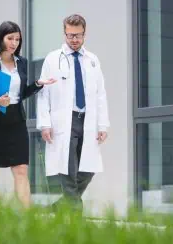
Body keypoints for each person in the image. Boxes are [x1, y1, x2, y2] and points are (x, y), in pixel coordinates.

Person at [0, 21, 56, 207]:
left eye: (17, 39)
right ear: (1, 38)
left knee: (20, 169)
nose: (14, 43)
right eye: (10, 38)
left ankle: (26, 217)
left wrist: (37, 84)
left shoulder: (22, 62)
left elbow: (21, 93)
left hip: (16, 120)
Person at [37, 14, 110, 211]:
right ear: (64, 33)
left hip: (87, 119)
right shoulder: (53, 59)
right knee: (68, 169)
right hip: (64, 120)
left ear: (84, 34)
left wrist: (103, 125)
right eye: (70, 35)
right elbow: (43, 93)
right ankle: (76, 214)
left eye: (78, 35)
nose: (74, 40)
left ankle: (61, 206)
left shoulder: (92, 60)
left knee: (88, 169)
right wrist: (45, 123)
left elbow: (100, 94)